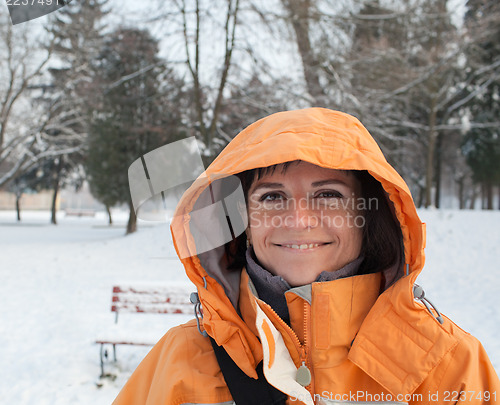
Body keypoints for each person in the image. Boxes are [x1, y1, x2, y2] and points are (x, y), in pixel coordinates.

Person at [113, 108, 499, 405]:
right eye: (272, 197)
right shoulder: (181, 361)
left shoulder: (448, 366)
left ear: (366, 216)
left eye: (328, 194)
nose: (298, 220)